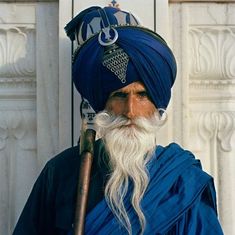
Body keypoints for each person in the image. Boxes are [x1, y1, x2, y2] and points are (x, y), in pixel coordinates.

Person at [13, 6, 223, 235]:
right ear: (104, 104)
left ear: (157, 105)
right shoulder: (61, 172)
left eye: (142, 95)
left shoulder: (182, 181)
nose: (130, 110)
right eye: (119, 96)